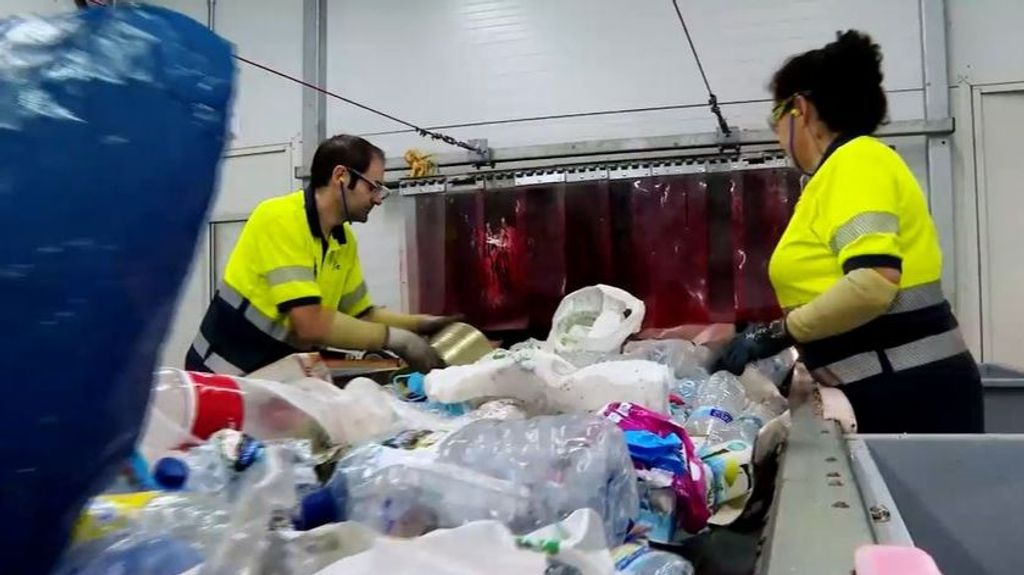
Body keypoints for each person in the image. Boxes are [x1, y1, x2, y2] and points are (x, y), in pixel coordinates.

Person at [717, 31, 983, 433]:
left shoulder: (856, 160)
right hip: (893, 384)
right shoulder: (835, 174)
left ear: (800, 109)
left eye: (776, 119)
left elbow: (873, 282)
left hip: (909, 392)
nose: (777, 136)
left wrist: (780, 333)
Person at [186, 134, 458, 374]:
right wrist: (398, 340)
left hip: (272, 377)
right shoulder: (279, 219)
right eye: (373, 187)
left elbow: (362, 314)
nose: (377, 198)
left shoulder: (343, 240)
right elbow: (310, 324)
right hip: (221, 376)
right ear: (341, 176)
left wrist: (423, 324)